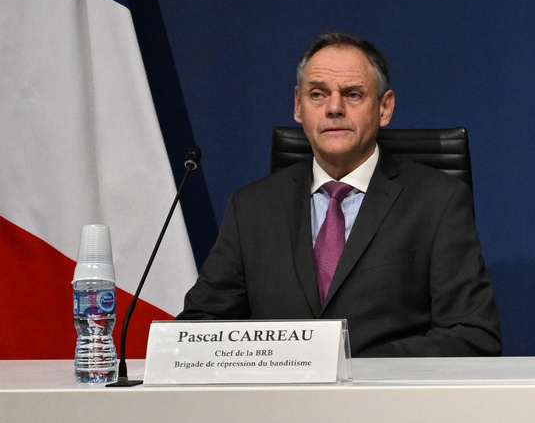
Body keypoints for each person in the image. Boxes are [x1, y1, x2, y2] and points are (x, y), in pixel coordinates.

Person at [179, 31, 501, 357]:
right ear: (298, 106)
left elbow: (472, 336)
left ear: (384, 107)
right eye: (317, 94)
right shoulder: (251, 208)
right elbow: (196, 330)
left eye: (353, 94)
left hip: (385, 389)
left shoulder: (438, 201)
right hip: (279, 391)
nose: (334, 108)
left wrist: (347, 365)